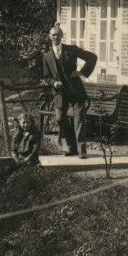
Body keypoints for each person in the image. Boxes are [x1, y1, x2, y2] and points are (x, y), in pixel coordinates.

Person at [41, 23, 97, 158]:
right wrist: (54, 83)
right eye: (53, 35)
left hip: (76, 90)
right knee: (60, 118)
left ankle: (81, 150)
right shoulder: (47, 57)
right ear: (49, 37)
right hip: (60, 93)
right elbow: (46, 77)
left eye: (58, 34)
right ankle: (71, 147)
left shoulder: (71, 49)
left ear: (62, 36)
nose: (55, 37)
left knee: (79, 120)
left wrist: (81, 72)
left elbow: (92, 57)